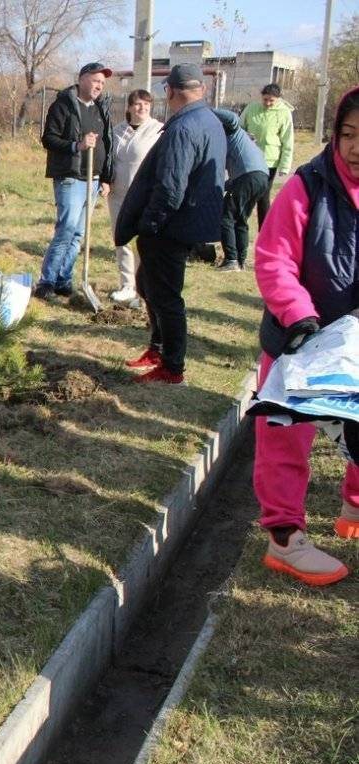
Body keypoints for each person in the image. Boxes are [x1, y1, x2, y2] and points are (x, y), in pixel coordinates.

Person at [248, 85, 359, 587]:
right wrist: (299, 316)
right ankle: (285, 539)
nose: (355, 147)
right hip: (299, 339)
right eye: (347, 135)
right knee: (284, 440)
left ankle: (353, 509)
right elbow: (273, 259)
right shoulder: (307, 186)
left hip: (353, 346)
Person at [114, 64, 225, 385]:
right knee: (147, 283)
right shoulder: (209, 120)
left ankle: (172, 367)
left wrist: (150, 224)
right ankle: (158, 348)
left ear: (172, 91)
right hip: (188, 221)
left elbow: (171, 187)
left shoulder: (183, 128)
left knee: (166, 296)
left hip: (170, 227)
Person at [37, 61, 114, 303]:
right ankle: (46, 281)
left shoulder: (102, 108)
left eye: (102, 82)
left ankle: (64, 279)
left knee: (79, 233)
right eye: (95, 80)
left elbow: (108, 144)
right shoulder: (64, 105)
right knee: (66, 229)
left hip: (93, 178)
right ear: (82, 79)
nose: (99, 85)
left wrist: (107, 177)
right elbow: (48, 138)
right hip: (70, 176)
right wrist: (76, 146)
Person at [108, 89, 163, 307]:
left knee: (143, 242)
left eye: (147, 105)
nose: (142, 108)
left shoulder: (158, 130)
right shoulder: (117, 131)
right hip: (118, 193)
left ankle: (143, 290)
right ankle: (127, 285)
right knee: (121, 239)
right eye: (138, 104)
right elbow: (108, 160)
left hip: (144, 195)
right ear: (129, 107)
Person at [215, 109, 271, 272]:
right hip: (261, 177)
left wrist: (206, 110)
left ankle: (231, 260)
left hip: (248, 175)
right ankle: (241, 260)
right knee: (240, 218)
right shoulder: (238, 143)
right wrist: (220, 188)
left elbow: (232, 118)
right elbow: (233, 178)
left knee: (227, 216)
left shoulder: (234, 131)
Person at [239, 82, 295, 228]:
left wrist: (284, 165)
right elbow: (239, 128)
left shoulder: (284, 113)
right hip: (249, 158)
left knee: (263, 196)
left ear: (278, 99)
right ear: (261, 97)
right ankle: (241, 224)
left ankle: (264, 229)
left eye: (272, 100)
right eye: (265, 99)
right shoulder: (252, 108)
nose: (268, 103)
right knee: (248, 194)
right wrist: (246, 135)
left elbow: (288, 140)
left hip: (270, 161)